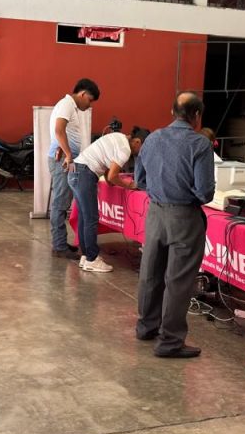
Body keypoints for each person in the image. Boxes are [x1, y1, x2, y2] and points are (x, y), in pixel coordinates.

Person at [134, 92, 215, 358]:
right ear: (197, 116)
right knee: (178, 280)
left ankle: (146, 327)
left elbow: (139, 179)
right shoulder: (200, 144)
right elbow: (205, 192)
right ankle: (169, 341)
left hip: (155, 214)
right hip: (184, 217)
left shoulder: (152, 139)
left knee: (151, 272)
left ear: (172, 112)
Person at [68, 126, 150, 273]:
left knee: (84, 218)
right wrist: (129, 185)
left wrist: (110, 181)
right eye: (143, 148)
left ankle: (86, 256)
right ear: (137, 142)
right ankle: (92, 259)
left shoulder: (118, 137)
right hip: (85, 175)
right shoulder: (125, 150)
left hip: (75, 172)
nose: (141, 153)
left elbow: (107, 168)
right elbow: (112, 175)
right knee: (91, 219)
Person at [48, 79, 100, 259]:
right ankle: (59, 246)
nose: (89, 105)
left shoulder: (72, 107)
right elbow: (59, 130)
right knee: (60, 203)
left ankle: (61, 243)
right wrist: (68, 154)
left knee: (66, 203)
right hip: (63, 161)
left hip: (69, 160)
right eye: (90, 100)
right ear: (83, 94)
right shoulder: (66, 105)